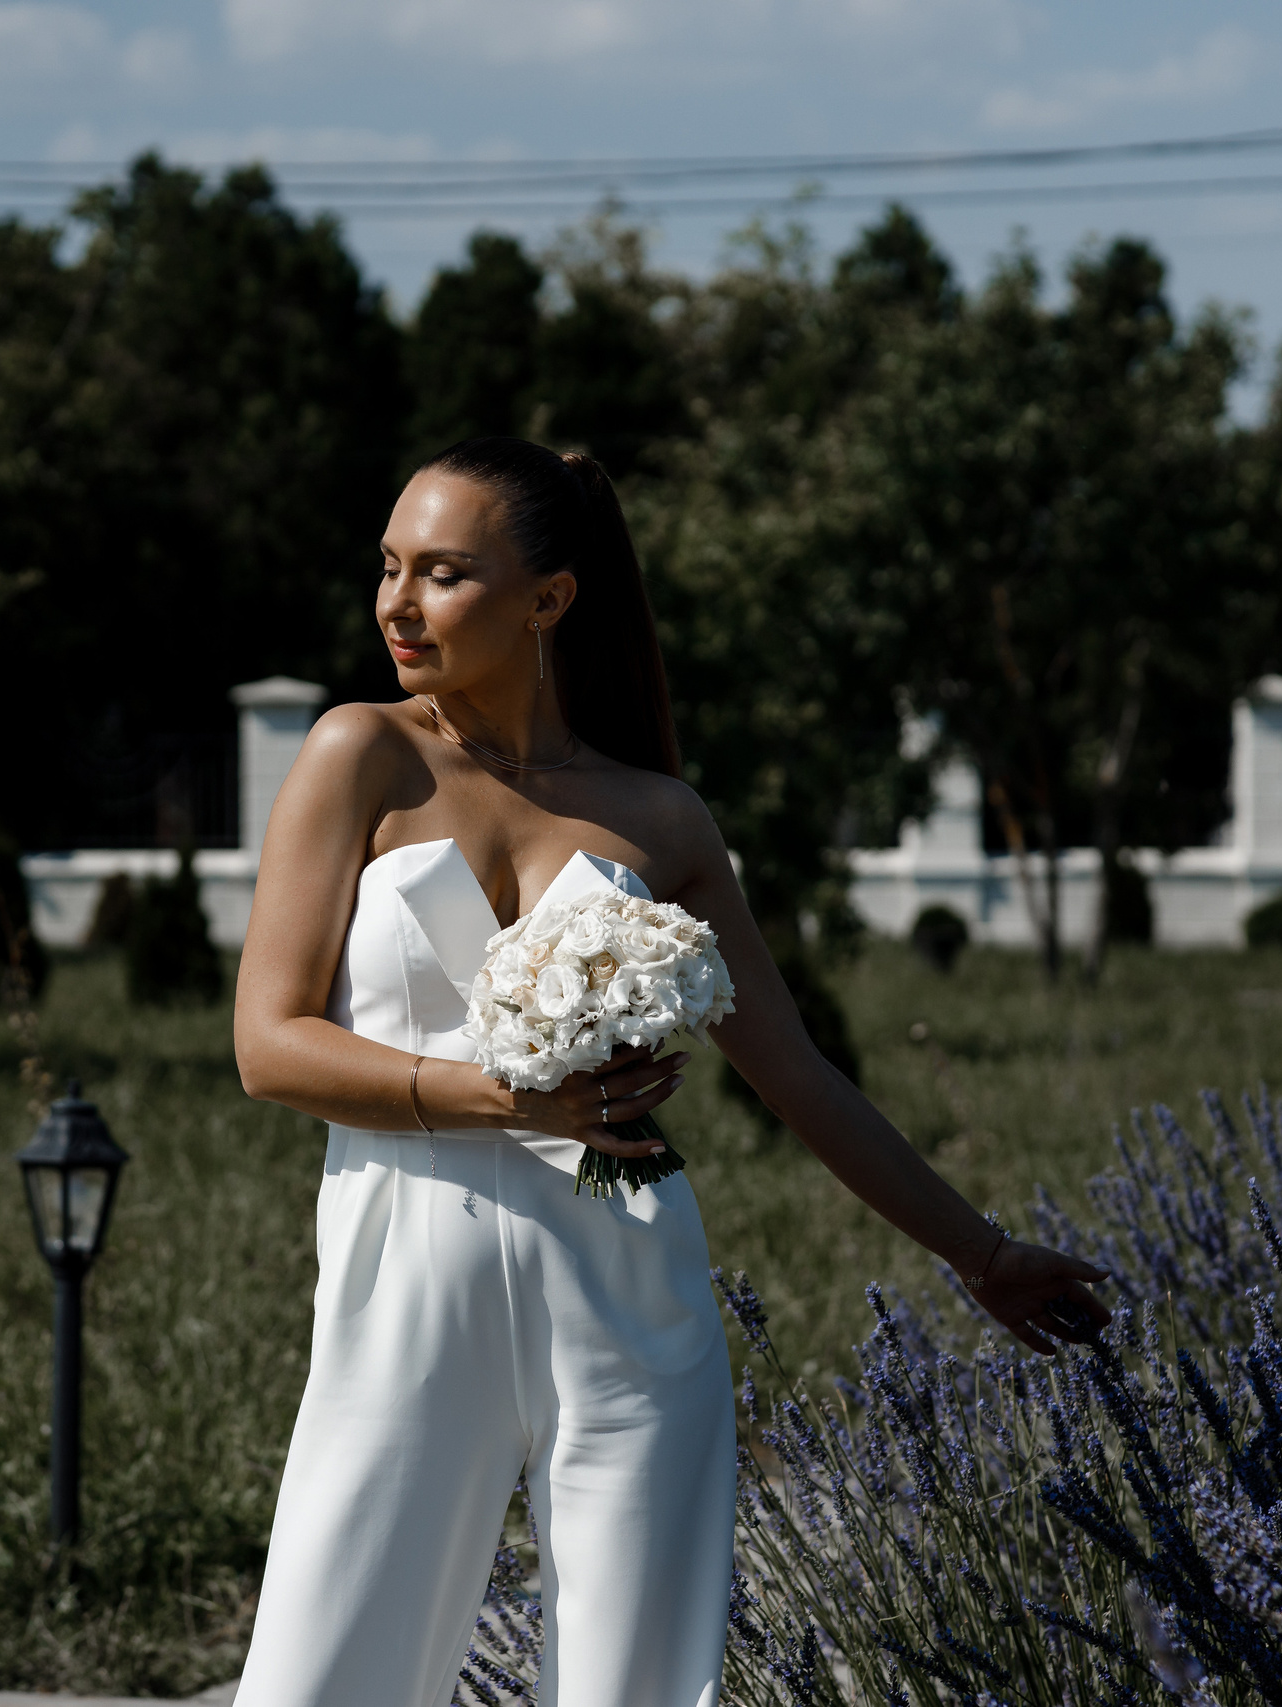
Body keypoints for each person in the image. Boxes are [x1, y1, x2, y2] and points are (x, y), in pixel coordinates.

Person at [230, 437, 1111, 1707]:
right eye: (388, 569)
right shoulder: (358, 755)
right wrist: (502, 1100)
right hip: (406, 1273)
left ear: (550, 597)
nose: (397, 606)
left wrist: (977, 1252)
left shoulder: (658, 816)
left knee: (638, 1686)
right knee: (329, 1671)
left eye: (444, 574)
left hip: (628, 1281)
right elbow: (268, 1046)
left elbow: (795, 1073)